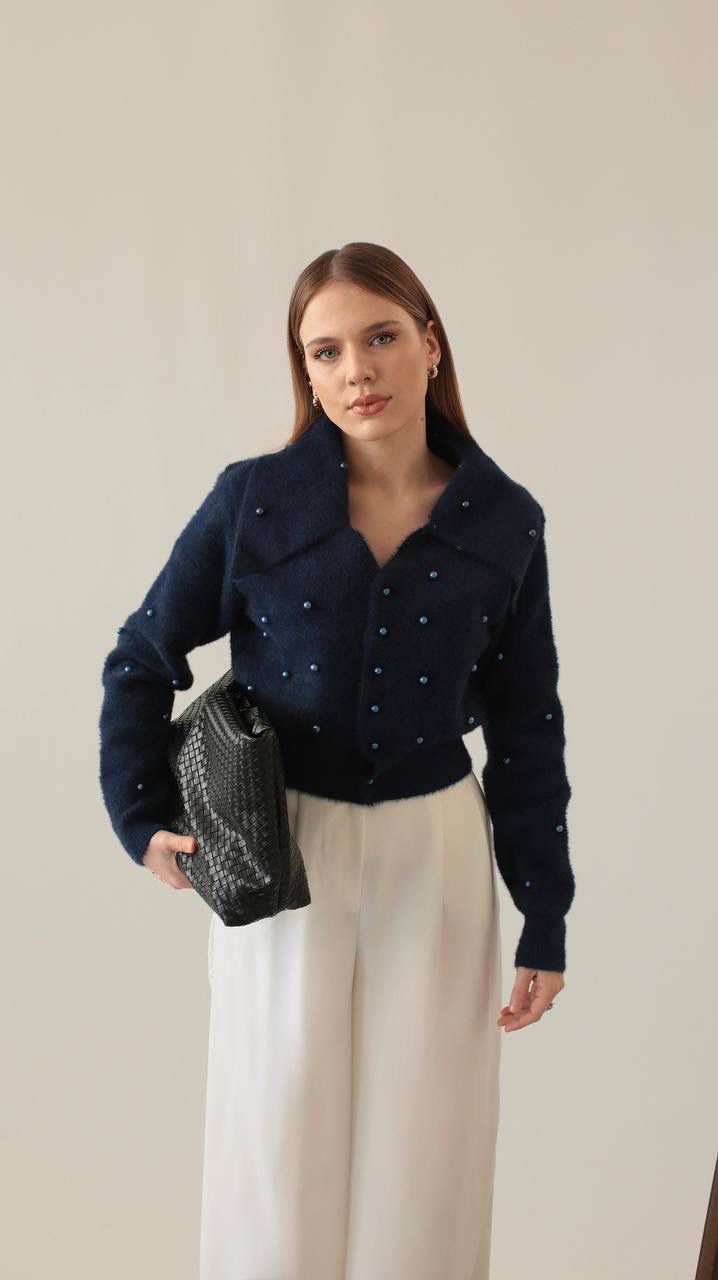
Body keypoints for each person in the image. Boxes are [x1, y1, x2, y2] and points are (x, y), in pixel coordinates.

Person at [98, 240, 575, 1280]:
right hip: (282, 848)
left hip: (436, 851)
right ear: (305, 372)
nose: (356, 370)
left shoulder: (506, 521)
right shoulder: (254, 501)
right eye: (325, 351)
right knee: (276, 1133)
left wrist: (544, 910)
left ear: (431, 345)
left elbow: (527, 725)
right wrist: (141, 816)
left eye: (381, 337)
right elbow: (142, 656)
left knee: (428, 1139)